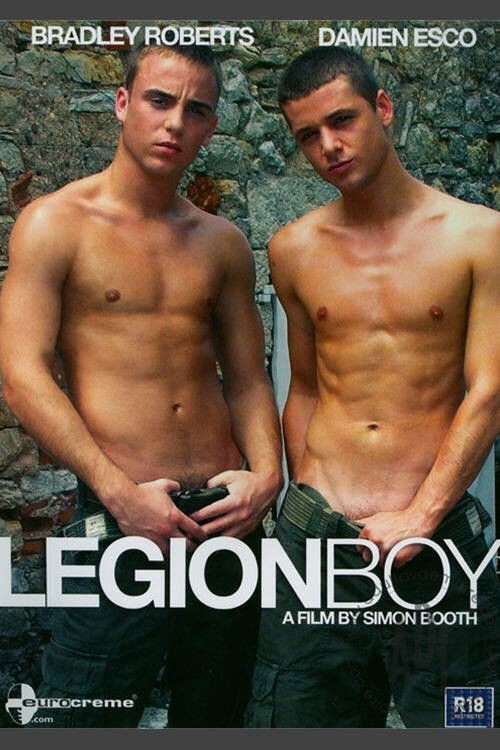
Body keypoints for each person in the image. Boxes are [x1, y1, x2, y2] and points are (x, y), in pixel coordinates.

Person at [0, 43, 282, 728]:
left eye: (196, 109)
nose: (175, 122)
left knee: (216, 711)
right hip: (122, 514)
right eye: (159, 100)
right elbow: (21, 374)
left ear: (211, 126)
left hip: (224, 517)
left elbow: (248, 378)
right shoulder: (56, 224)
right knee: (86, 710)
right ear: (123, 103)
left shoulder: (221, 242)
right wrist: (120, 496)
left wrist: (267, 477)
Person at [245, 46, 500, 728]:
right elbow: (304, 389)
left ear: (383, 108)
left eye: (342, 120)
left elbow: (489, 388)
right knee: (295, 722)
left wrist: (422, 515)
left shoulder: (480, 237)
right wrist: (305, 502)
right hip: (318, 542)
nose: (328, 146)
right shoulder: (293, 248)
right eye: (307, 135)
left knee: (462, 725)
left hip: (438, 541)